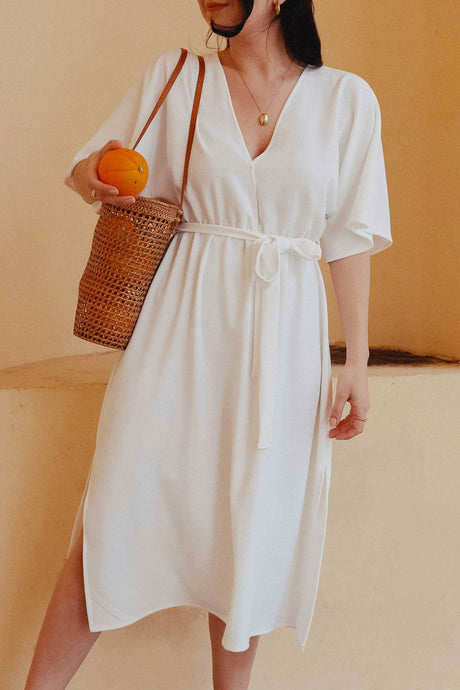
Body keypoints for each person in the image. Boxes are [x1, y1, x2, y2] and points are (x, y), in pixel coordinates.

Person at [25, 0, 393, 687]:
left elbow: (348, 238)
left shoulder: (346, 100)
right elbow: (86, 171)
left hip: (285, 343)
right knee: (111, 520)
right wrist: (100, 172)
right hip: (178, 331)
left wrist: (357, 363)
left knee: (249, 538)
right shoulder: (177, 77)